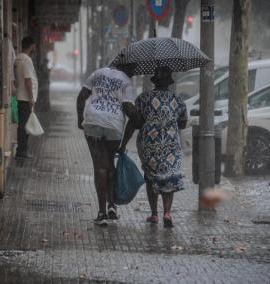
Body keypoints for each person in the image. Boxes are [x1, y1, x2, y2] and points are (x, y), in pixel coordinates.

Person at [119, 66, 188, 228]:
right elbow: (183, 124)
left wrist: (122, 145)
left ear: (154, 82)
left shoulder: (144, 98)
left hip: (149, 144)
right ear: (170, 82)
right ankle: (167, 212)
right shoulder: (178, 100)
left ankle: (154, 214)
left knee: (151, 177)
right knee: (169, 176)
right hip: (171, 145)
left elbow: (134, 123)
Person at [76, 64, 141, 226]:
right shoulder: (126, 82)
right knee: (109, 164)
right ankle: (112, 206)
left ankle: (102, 213)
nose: (133, 74)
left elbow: (81, 96)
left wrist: (80, 119)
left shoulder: (97, 73)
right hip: (114, 125)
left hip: (93, 122)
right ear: (127, 68)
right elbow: (127, 108)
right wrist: (140, 119)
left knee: (100, 167)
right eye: (133, 70)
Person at [14, 36, 38, 159]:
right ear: (31, 46)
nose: (34, 48)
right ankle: (22, 151)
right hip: (25, 98)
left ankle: (21, 149)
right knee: (25, 126)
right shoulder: (27, 60)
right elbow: (28, 80)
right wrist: (31, 98)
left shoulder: (17, 58)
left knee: (22, 125)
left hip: (20, 96)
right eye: (33, 46)